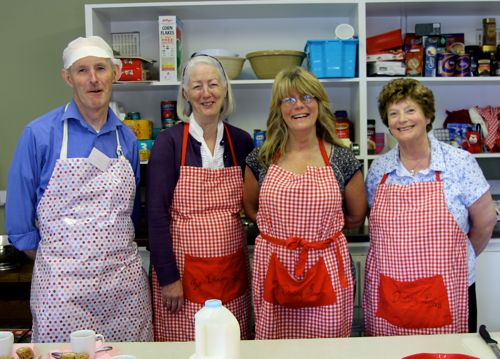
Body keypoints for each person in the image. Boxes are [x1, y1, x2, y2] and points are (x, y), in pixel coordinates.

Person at [5, 36, 153, 342]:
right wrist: (61, 260)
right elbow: (19, 222)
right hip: (63, 290)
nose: (93, 79)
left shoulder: (125, 138)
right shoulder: (39, 134)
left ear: (115, 73)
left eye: (101, 68)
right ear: (67, 77)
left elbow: (129, 213)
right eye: (82, 70)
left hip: (123, 289)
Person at [363, 78, 497, 336]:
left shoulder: (460, 162)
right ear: (388, 123)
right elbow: (375, 220)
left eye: (410, 110)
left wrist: (458, 257)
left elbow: (485, 222)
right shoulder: (379, 169)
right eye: (393, 113)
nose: (402, 119)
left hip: (448, 289)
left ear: (427, 115)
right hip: (392, 291)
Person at [243, 66, 367, 339]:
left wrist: (319, 236)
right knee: (275, 348)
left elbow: (357, 216)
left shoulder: (342, 158)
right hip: (275, 267)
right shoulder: (261, 158)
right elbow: (251, 208)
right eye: (288, 99)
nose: (298, 105)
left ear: (319, 104)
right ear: (279, 109)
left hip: (327, 268)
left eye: (307, 97)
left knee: (327, 347)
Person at [147, 54, 254, 341]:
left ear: (225, 89)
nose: (206, 94)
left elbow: (255, 203)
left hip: (231, 272)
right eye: (197, 86)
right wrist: (168, 277)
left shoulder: (241, 141)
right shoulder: (169, 142)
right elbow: (155, 215)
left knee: (228, 346)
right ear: (185, 93)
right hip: (182, 277)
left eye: (213, 84)